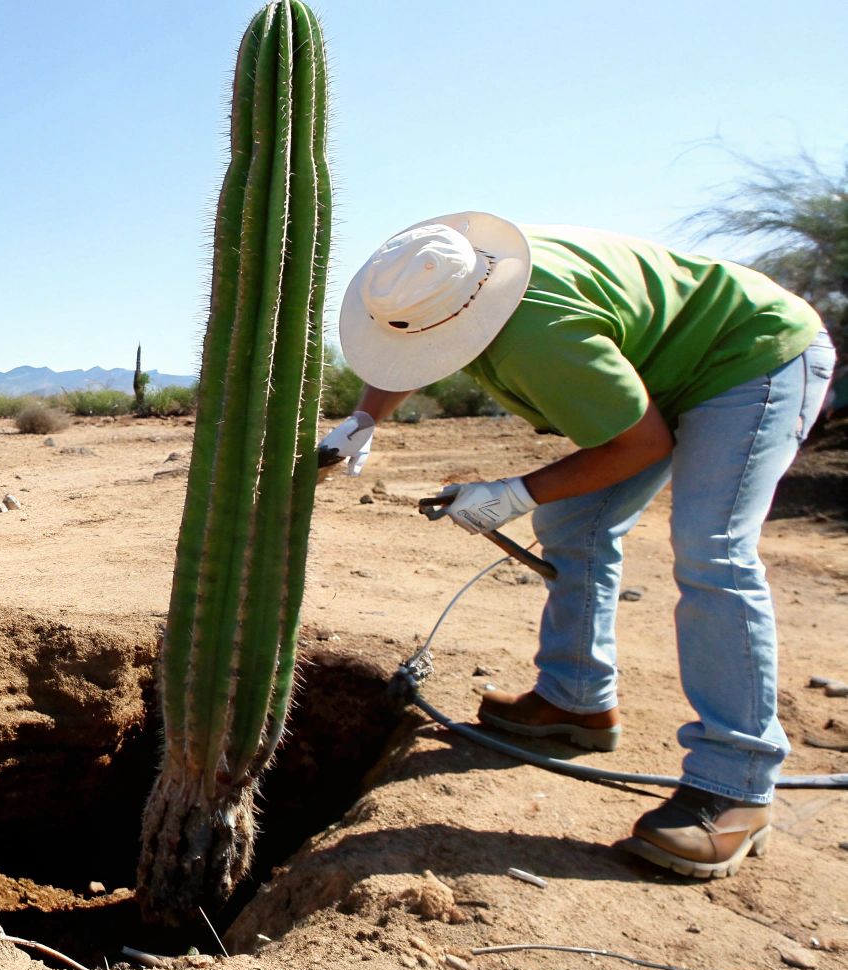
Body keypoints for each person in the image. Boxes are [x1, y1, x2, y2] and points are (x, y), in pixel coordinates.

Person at [322, 212, 833, 880]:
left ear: (468, 320)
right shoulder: (457, 280)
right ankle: (576, 700)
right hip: (663, 373)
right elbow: (408, 338)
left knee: (712, 548)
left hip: (750, 359)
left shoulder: (541, 336)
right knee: (574, 527)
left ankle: (735, 787)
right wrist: (364, 419)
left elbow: (639, 445)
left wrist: (515, 493)